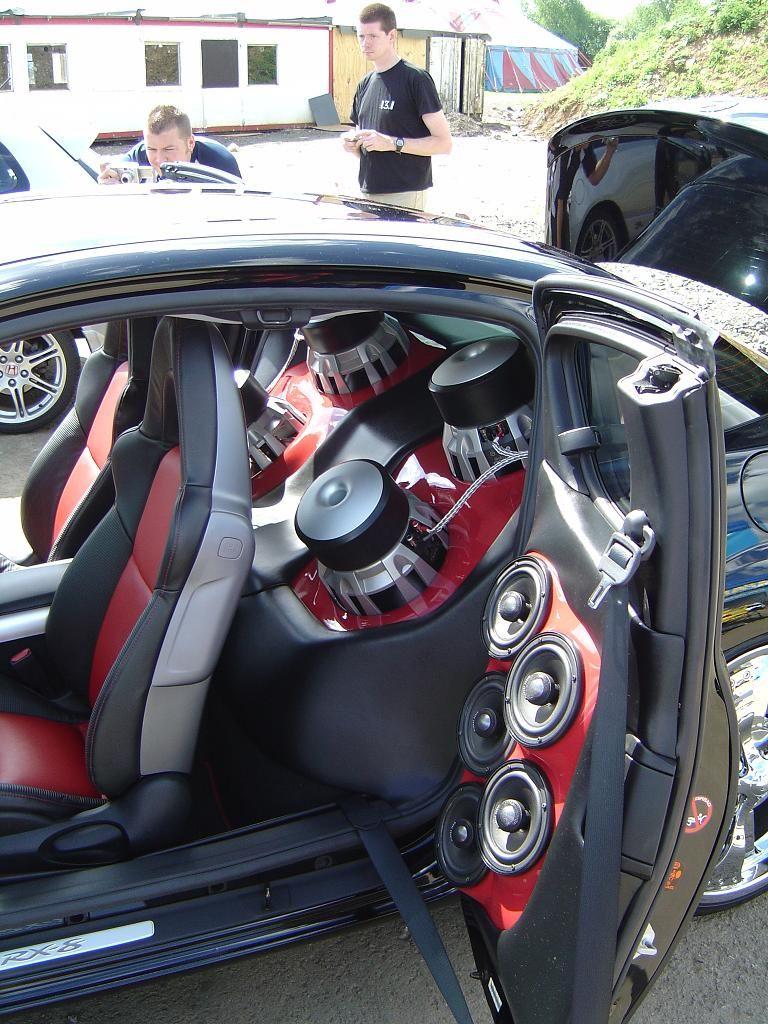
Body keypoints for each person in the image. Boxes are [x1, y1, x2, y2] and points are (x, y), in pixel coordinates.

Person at [342, 3, 452, 212]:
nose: (365, 43)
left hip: (404, 195)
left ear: (391, 36)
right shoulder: (365, 84)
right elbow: (365, 143)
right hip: (367, 193)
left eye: (373, 36)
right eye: (361, 36)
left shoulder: (416, 79)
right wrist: (353, 144)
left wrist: (392, 143)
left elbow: (444, 143)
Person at [99, 104, 241, 183]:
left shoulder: (219, 161)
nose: (160, 159)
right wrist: (110, 188)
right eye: (151, 149)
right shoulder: (136, 159)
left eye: (168, 149)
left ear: (190, 143)